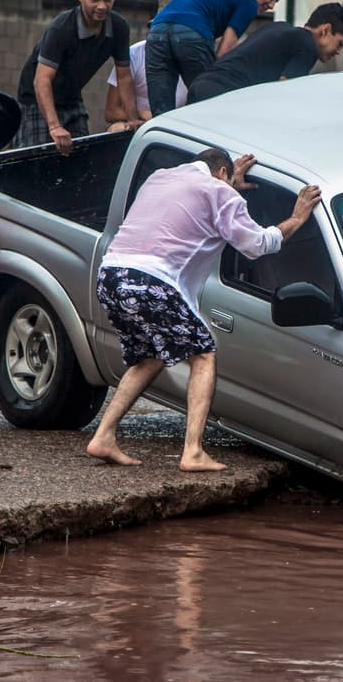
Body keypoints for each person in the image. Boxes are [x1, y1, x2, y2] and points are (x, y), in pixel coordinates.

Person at [86, 148, 320, 470]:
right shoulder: (220, 192)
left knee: (149, 357)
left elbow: (188, 211)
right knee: (204, 354)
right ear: (223, 172)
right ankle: (193, 451)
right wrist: (295, 218)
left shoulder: (159, 178)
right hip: (153, 281)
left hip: (111, 275)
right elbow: (255, 245)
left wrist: (228, 187)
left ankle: (103, 436)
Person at [12, 0, 140, 155]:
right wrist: (54, 127)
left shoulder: (119, 27)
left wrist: (132, 119)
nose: (102, 6)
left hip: (71, 97)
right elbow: (42, 80)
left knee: (81, 155)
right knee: (37, 158)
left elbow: (124, 77)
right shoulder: (61, 28)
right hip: (36, 99)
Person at [144, 0, 288, 116]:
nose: (271, 6)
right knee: (208, 99)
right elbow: (225, 50)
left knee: (161, 107)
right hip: (191, 32)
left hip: (156, 31)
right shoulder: (248, 1)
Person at [185, 3, 343, 104]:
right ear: (325, 30)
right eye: (340, 43)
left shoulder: (277, 27)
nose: (337, 52)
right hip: (223, 95)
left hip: (201, 84)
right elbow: (282, 96)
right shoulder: (308, 45)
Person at [102, 41, 188, 130]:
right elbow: (111, 112)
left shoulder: (194, 57)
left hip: (174, 126)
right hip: (137, 124)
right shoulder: (133, 54)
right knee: (118, 128)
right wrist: (141, 114)